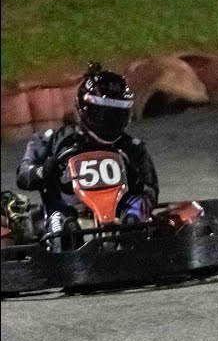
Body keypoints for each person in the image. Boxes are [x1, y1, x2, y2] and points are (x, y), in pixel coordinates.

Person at [16, 63, 159, 238]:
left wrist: (138, 186)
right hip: (68, 211)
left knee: (138, 206)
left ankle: (133, 236)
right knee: (60, 220)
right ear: (86, 109)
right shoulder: (52, 140)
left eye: (117, 115)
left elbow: (150, 189)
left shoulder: (132, 147)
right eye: (104, 115)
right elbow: (23, 175)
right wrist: (42, 171)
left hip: (119, 212)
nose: (110, 122)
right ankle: (64, 247)